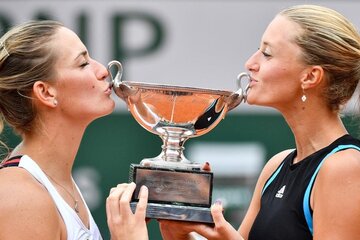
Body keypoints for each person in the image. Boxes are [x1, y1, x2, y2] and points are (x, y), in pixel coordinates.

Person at [159, 4, 360, 240]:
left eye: (267, 53)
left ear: (310, 76)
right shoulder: (274, 167)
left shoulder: (346, 167)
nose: (250, 63)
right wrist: (179, 229)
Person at [0, 20, 148, 240]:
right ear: (46, 93)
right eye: (83, 63)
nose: (102, 71)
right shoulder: (20, 196)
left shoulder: (58, 183)